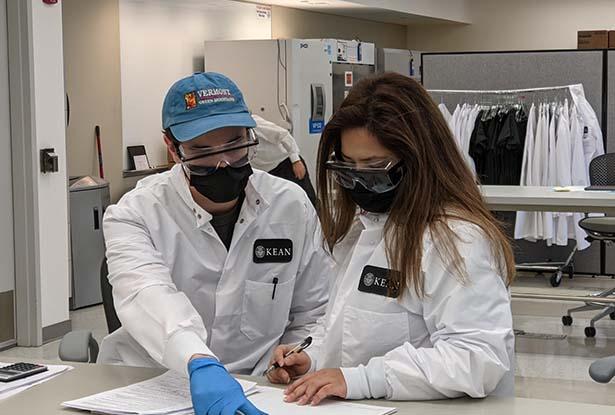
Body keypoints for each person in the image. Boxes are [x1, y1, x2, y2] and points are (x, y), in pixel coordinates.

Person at [267, 72, 516, 405]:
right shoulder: (362, 226)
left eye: (374, 165)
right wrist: (310, 358)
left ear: (418, 159)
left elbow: (477, 358)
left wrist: (362, 378)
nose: (360, 180)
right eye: (349, 166)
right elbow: (347, 324)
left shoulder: (456, 238)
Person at [98, 72, 332, 415]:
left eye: (235, 145)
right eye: (202, 151)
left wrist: (301, 352)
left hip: (257, 387)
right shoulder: (134, 213)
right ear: (172, 147)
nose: (223, 163)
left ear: (251, 133)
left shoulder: (290, 205)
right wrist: (200, 363)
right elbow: (147, 293)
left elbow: (315, 309)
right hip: (150, 384)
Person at [250, 114, 317, 206]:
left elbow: (283, 135)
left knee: (307, 200)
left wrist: (296, 161)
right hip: (268, 172)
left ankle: (319, 218)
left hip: (286, 164)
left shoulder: (253, 123)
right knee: (284, 205)